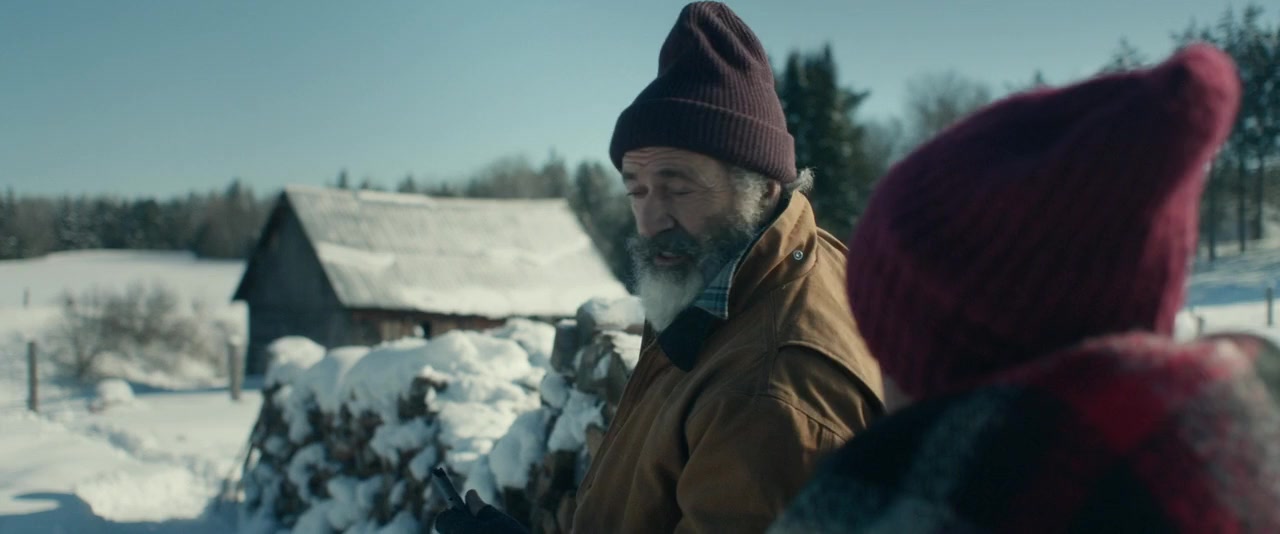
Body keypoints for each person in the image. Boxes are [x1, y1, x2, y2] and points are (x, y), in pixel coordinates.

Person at [768, 44, 1280, 533]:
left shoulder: (883, 511)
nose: (877, 376)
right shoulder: (1240, 474)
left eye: (885, 348)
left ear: (944, 372)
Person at [436, 2, 884, 533]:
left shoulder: (768, 391)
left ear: (763, 189)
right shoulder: (744, 280)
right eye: (637, 190)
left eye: (679, 188)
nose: (651, 221)